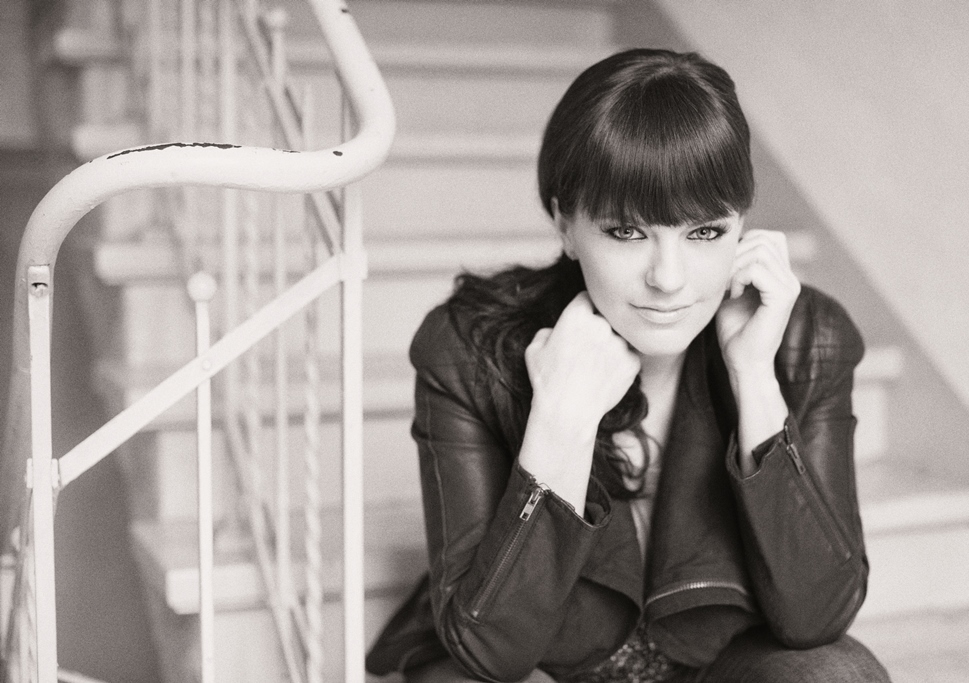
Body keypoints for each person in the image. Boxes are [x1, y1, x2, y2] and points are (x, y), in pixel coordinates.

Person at [366, 49, 890, 683]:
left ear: (742, 227)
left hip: (713, 661)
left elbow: (816, 616)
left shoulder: (804, 337)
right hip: (547, 664)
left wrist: (754, 376)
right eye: (627, 232)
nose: (668, 279)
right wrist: (559, 422)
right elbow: (491, 651)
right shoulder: (469, 348)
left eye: (704, 233)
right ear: (565, 222)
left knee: (837, 674)